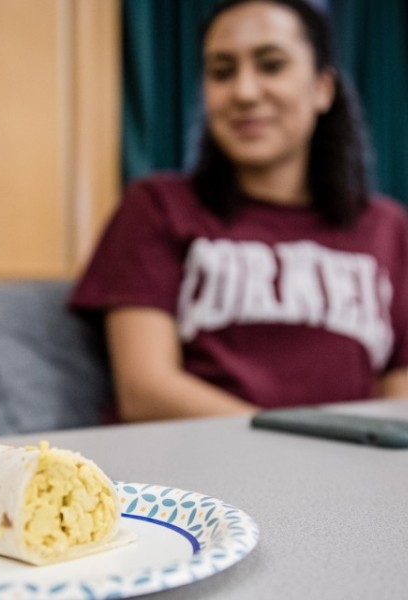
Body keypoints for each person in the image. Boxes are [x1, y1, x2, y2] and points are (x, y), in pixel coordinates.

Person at [69, 0, 408, 422]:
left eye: (271, 65)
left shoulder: (388, 226)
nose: (244, 92)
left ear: (322, 88)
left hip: (350, 471)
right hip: (193, 469)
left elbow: (399, 380)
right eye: (222, 71)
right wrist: (296, 443)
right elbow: (145, 389)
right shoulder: (156, 205)